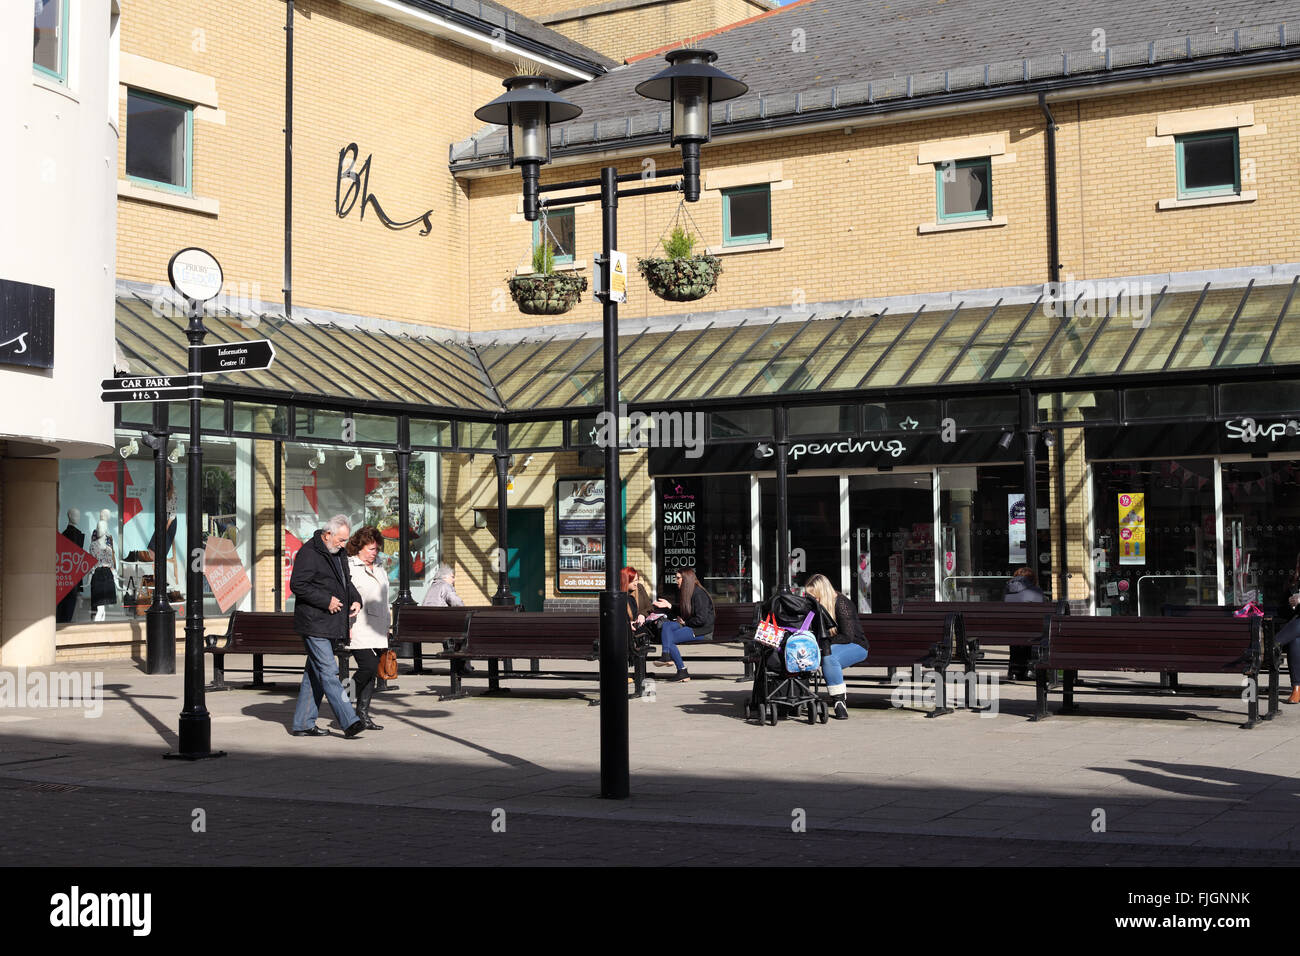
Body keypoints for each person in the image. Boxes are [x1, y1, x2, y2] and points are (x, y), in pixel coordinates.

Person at [289, 515, 365, 738]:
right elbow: (298, 585)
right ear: (328, 534)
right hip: (314, 623)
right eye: (341, 540)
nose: (344, 545)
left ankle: (303, 723)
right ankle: (349, 721)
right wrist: (326, 600)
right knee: (329, 671)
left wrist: (356, 598)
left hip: (330, 624)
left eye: (345, 540)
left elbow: (345, 583)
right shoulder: (309, 552)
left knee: (315, 674)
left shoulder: (338, 552)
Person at [804, 573, 868, 720]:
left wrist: (822, 645)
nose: (813, 600)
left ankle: (839, 701)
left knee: (829, 657)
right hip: (832, 645)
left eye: (815, 596)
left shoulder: (841, 603)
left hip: (856, 645)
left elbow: (847, 636)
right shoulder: (817, 607)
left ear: (823, 592)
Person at [346, 526, 389, 730]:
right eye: (371, 548)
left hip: (378, 627)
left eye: (376, 549)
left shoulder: (379, 566)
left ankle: (363, 714)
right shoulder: (349, 566)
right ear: (360, 547)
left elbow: (384, 598)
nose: (375, 552)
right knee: (368, 666)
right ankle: (345, 697)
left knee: (372, 673)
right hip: (358, 626)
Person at [652, 568, 714, 682]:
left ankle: (682, 671)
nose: (676, 581)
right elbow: (683, 611)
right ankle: (666, 655)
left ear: (686, 579)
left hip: (702, 630)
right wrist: (669, 606)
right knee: (667, 626)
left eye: (678, 578)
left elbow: (702, 619)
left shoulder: (699, 594)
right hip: (690, 626)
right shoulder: (688, 592)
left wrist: (685, 623)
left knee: (668, 638)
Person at [423, 563, 473, 674]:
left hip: (427, 629)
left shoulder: (432, 587)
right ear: (444, 577)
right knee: (465, 633)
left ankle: (461, 663)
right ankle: (465, 666)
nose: (454, 580)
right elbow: (457, 603)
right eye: (452, 576)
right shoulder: (446, 586)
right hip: (442, 628)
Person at [1004, 566, 1044, 680]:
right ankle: (1028, 669)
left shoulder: (1007, 589)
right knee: (1035, 632)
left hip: (1010, 631)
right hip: (1031, 630)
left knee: (1016, 633)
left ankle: (1014, 670)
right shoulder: (1036, 591)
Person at [1276, 555, 1300, 705]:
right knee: (1295, 642)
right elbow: (1281, 611)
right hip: (1296, 630)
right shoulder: (1293, 583)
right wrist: (1291, 605)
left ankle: (1274, 643)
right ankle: (1297, 689)